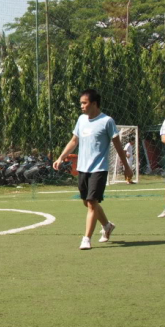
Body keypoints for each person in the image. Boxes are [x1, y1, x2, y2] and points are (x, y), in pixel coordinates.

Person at [53, 89, 133, 250]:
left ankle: (86, 238)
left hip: (99, 169)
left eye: (84, 103)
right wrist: (61, 157)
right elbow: (74, 140)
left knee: (91, 203)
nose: (81, 106)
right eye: (81, 103)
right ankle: (107, 225)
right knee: (88, 202)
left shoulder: (107, 121)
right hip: (83, 169)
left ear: (94, 104)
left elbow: (117, 145)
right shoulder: (81, 120)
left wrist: (126, 166)